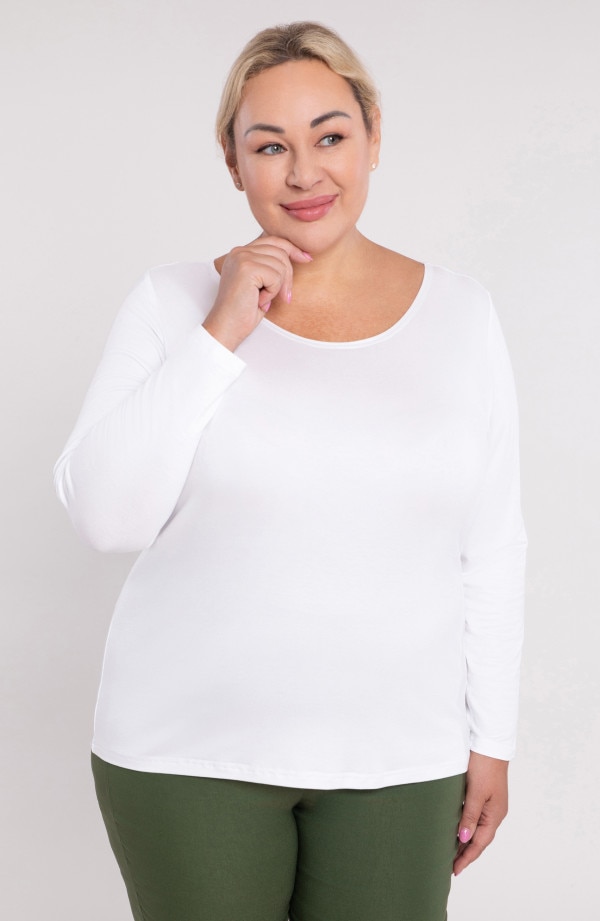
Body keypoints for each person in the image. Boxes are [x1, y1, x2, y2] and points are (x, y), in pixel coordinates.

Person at [54, 21, 526, 921]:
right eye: (270, 146)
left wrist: (492, 738)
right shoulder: (171, 303)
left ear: (373, 136)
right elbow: (105, 518)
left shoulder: (463, 315)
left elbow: (493, 544)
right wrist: (220, 330)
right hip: (188, 755)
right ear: (234, 163)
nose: (305, 173)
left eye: (330, 136)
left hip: (400, 758)